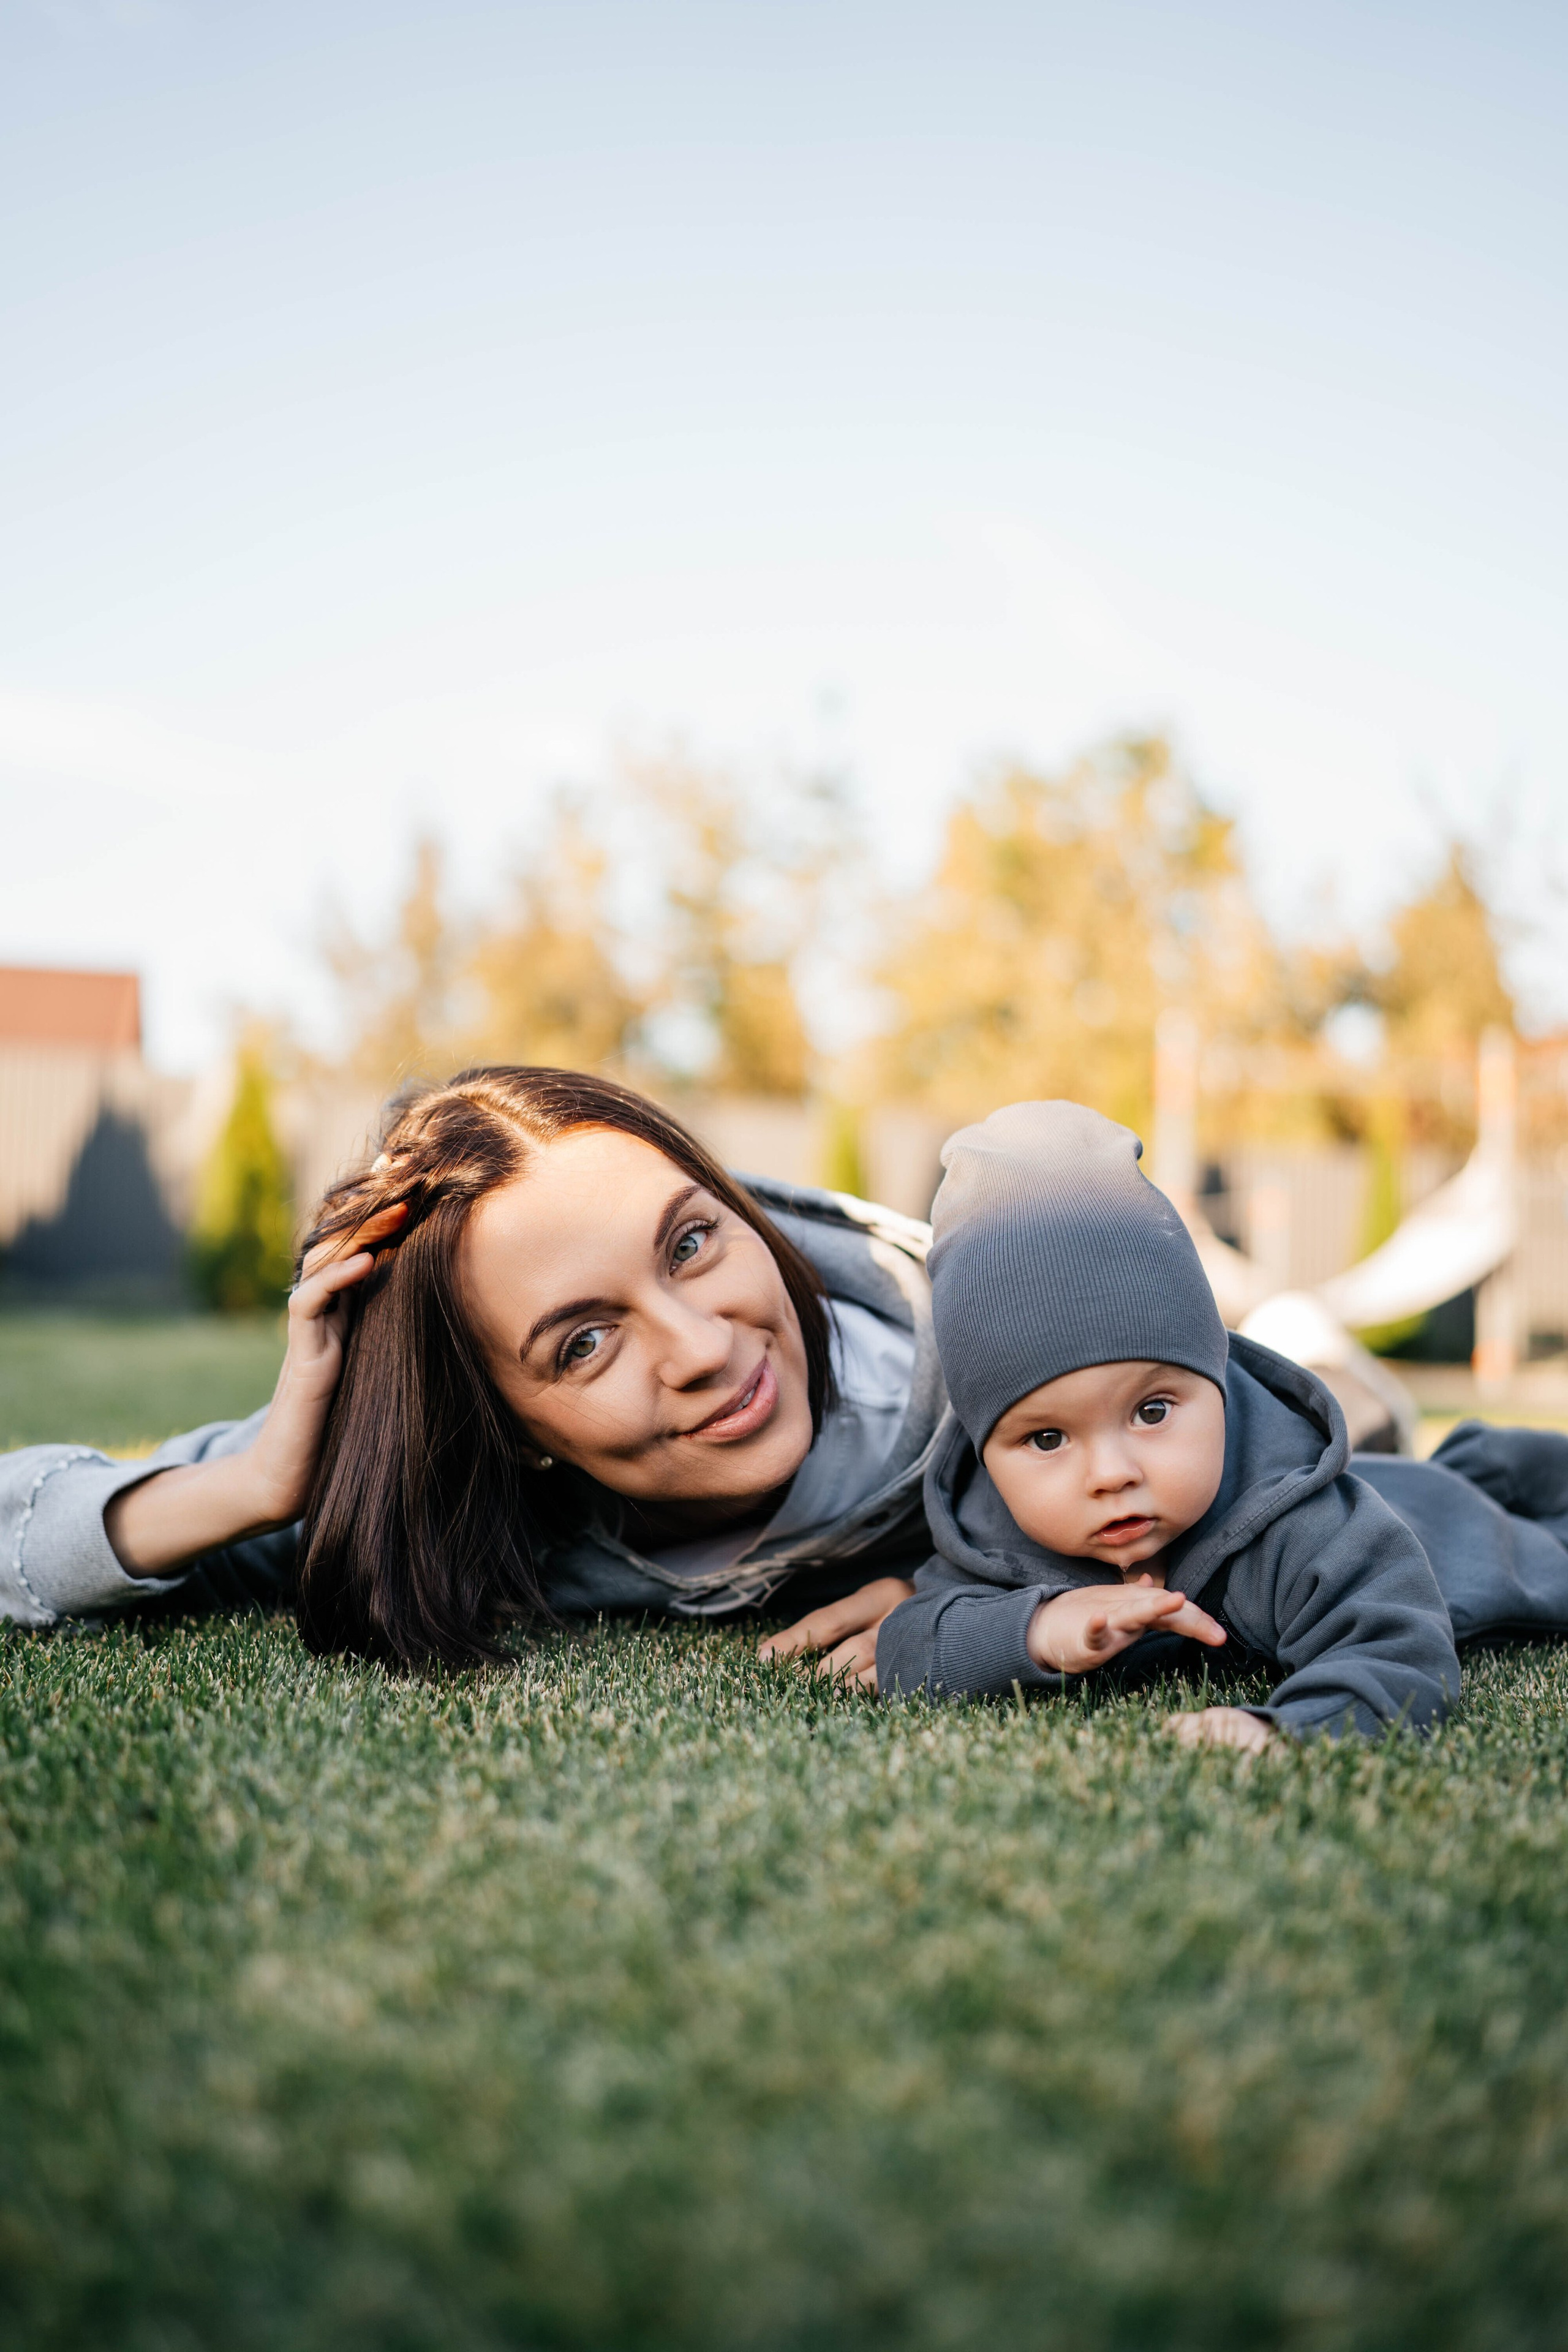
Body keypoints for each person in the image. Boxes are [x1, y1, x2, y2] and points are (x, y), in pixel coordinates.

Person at [0, 1068, 940, 1672]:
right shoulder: (478, 1500)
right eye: (583, 1343)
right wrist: (255, 1485)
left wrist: (990, 1589)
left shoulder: (997, 1346)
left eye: (691, 1242)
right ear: (506, 1432)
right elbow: (18, 1535)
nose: (702, 1348)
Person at [875, 1099, 1568, 1749]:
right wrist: (1034, 1629)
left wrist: (1287, 1729)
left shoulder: (1301, 1527)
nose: (1112, 1473)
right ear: (984, 1448)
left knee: (1522, 1529)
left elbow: (1398, 1646)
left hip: (1446, 1520)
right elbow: (909, 1645)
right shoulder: (991, 1526)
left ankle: (1499, 1464)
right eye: (1047, 1438)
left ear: (1217, 1384)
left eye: (1151, 1412)